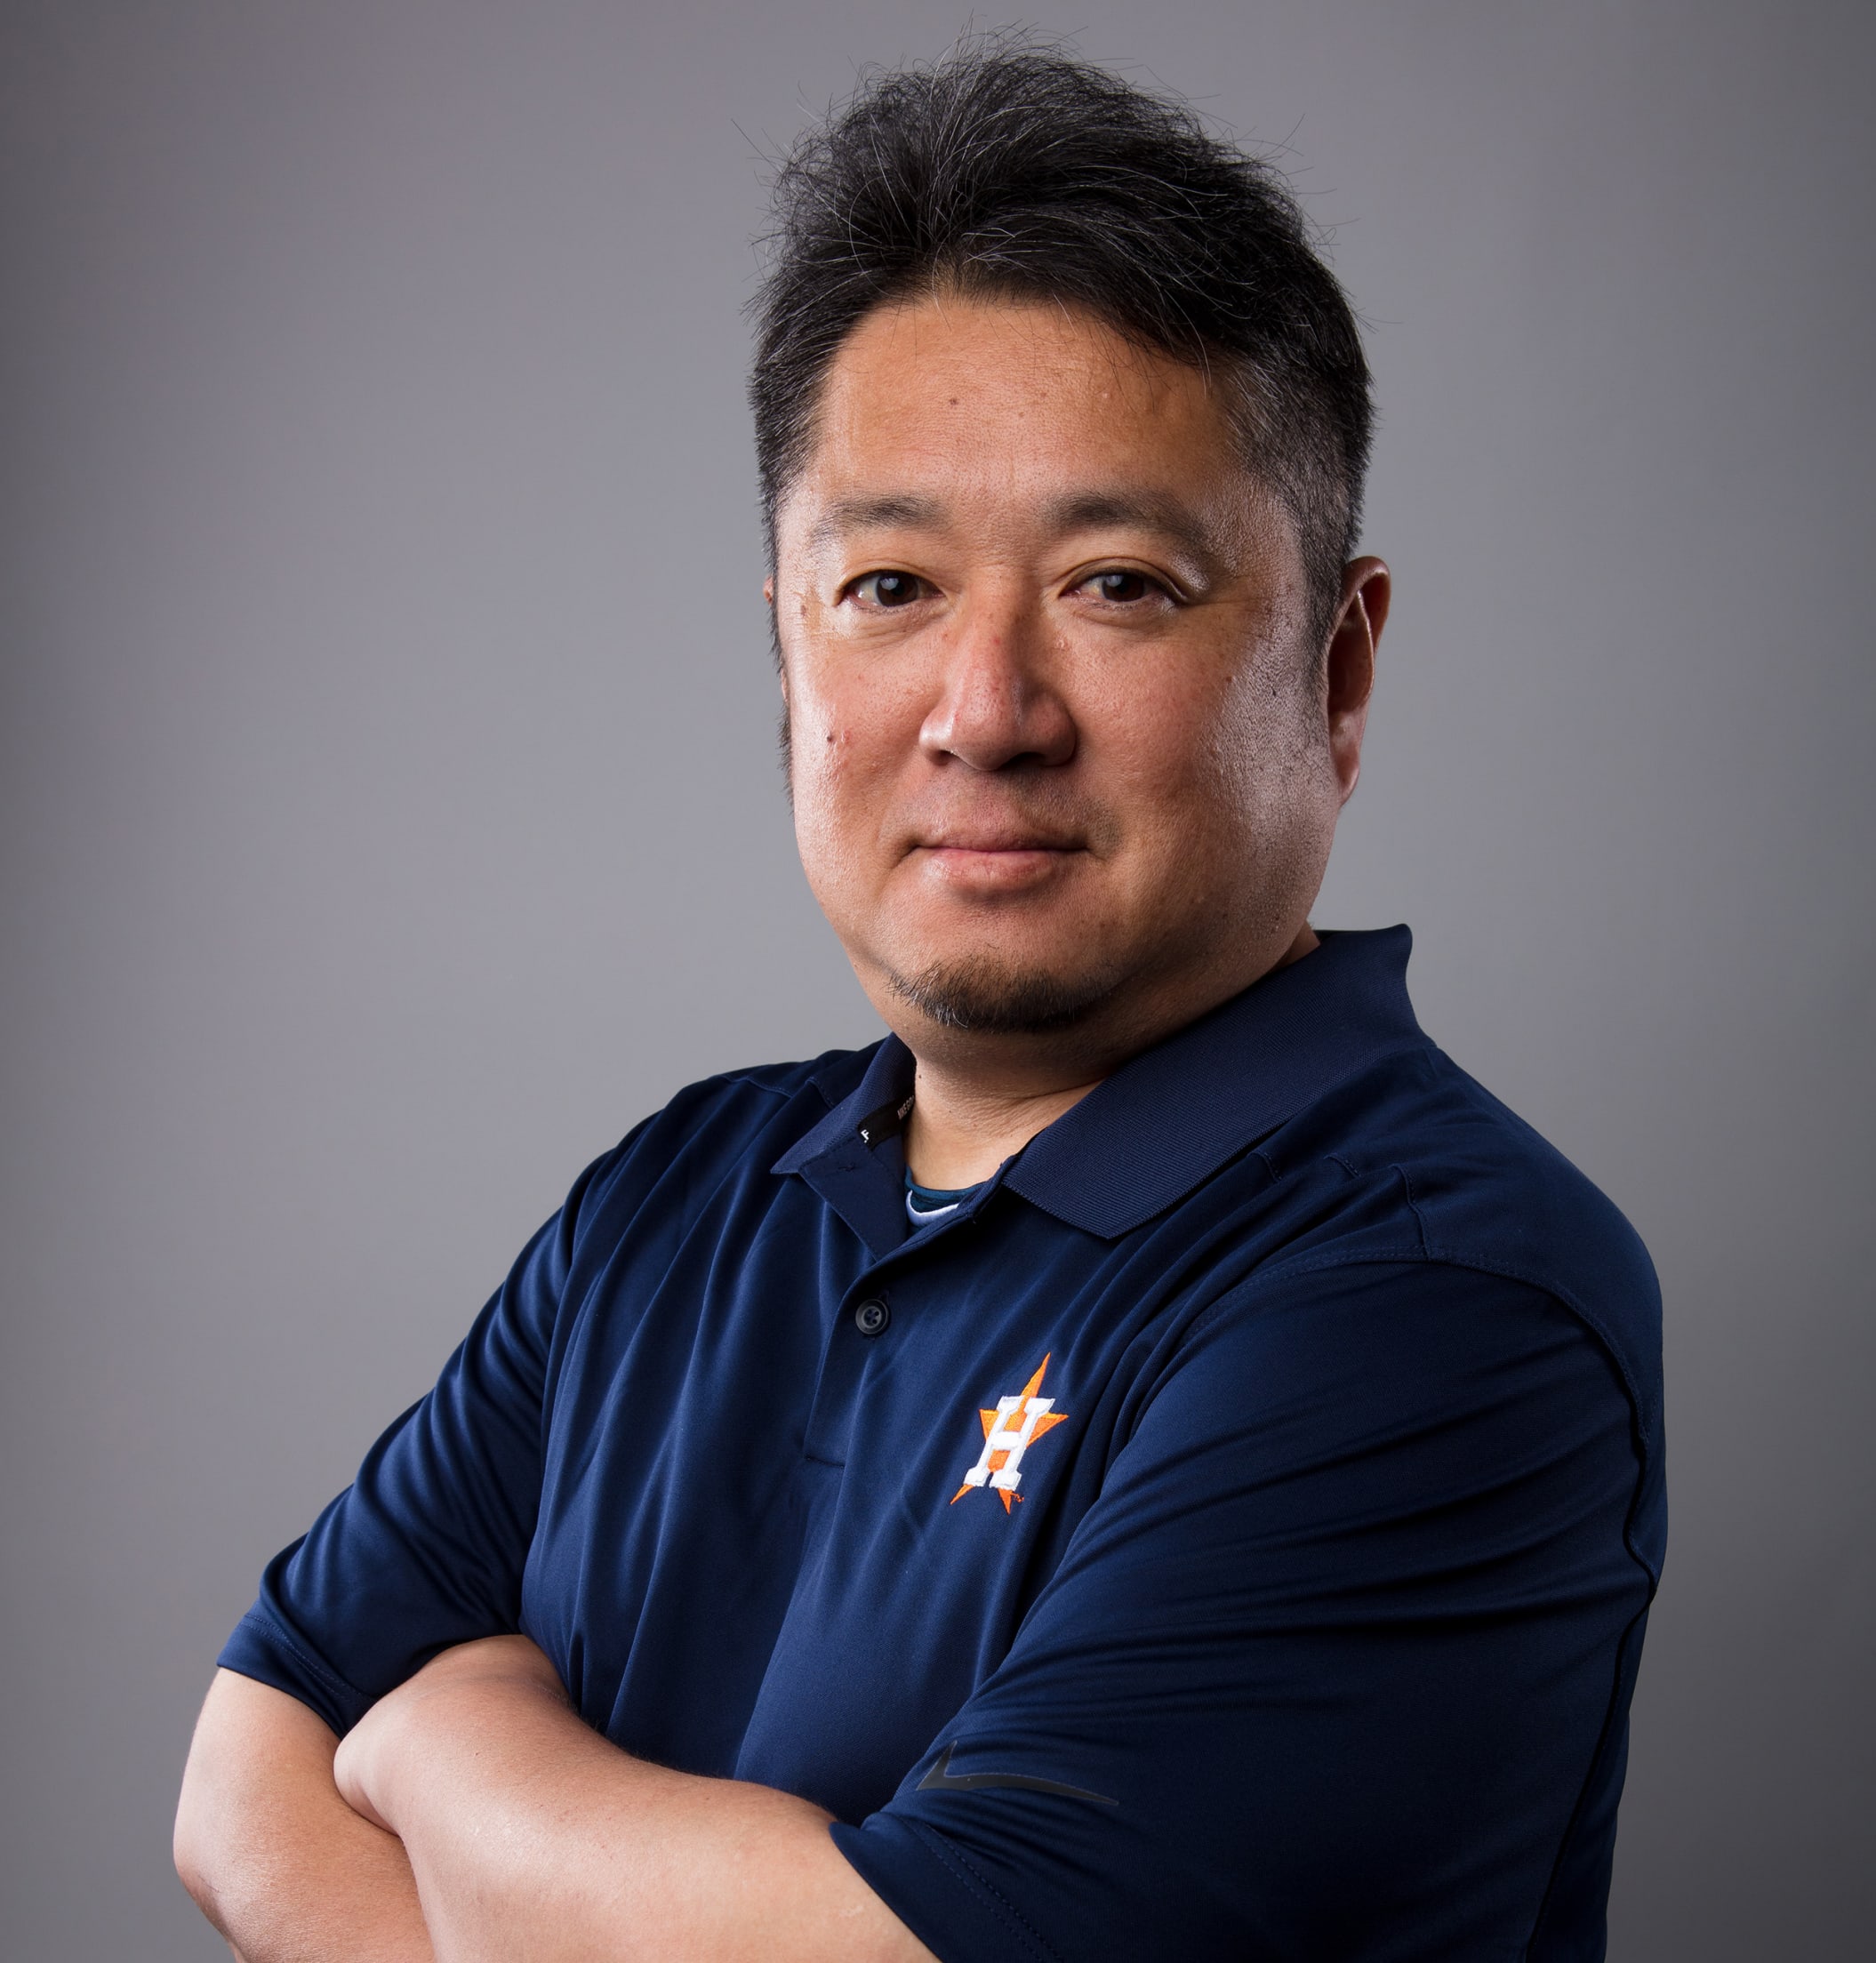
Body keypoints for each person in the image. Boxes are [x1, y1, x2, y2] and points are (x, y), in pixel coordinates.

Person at [173, 41, 1664, 1963]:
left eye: (1118, 584)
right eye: (887, 587)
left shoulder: (1434, 1296)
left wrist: (450, 1736)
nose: (986, 713)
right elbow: (248, 1772)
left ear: (1339, 669)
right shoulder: (674, 1200)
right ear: (786, 657)